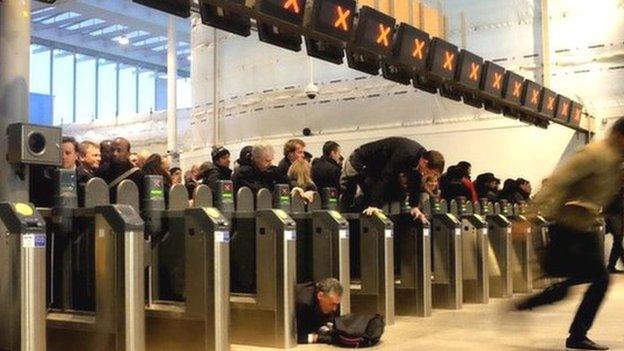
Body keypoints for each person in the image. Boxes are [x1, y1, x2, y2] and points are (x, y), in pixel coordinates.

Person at [515, 118, 624, 350]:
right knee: (596, 280)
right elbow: (558, 182)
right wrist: (528, 216)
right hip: (567, 227)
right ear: (620, 136)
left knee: (591, 280)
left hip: (585, 226)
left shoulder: (616, 161)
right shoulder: (594, 154)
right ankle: (571, 332)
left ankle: (572, 331)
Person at [340, 137, 444, 220]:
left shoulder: (419, 157)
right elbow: (386, 175)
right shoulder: (406, 153)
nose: (430, 176)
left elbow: (415, 181)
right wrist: (373, 205)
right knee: (354, 199)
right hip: (358, 163)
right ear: (425, 163)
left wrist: (414, 207)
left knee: (371, 197)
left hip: (373, 169)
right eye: (433, 173)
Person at [296, 278, 343, 344]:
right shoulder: (303, 303)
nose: (334, 309)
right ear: (320, 296)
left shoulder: (327, 301)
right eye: (332, 304)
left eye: (337, 304)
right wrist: (320, 338)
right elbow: (294, 337)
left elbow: (324, 324)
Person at [97, 137, 144, 201]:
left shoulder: (137, 175)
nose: (114, 153)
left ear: (128, 154)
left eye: (119, 150)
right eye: (112, 150)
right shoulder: (101, 171)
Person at [604, 188, 624, 274]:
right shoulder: (616, 198)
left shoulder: (617, 197)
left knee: (617, 244)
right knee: (618, 244)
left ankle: (611, 266)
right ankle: (611, 266)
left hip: (617, 223)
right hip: (615, 223)